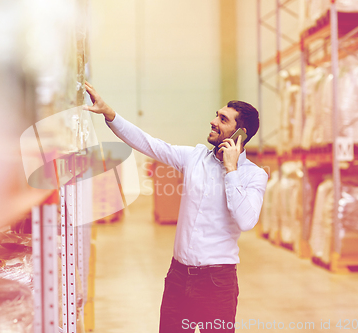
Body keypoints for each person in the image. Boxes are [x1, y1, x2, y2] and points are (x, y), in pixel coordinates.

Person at [83, 81, 268, 332]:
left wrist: (231, 169)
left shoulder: (253, 175)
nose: (213, 121)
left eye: (223, 119)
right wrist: (110, 114)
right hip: (178, 277)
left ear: (240, 133)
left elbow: (247, 221)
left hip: (217, 282)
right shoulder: (194, 157)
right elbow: (149, 144)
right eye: (216, 115)